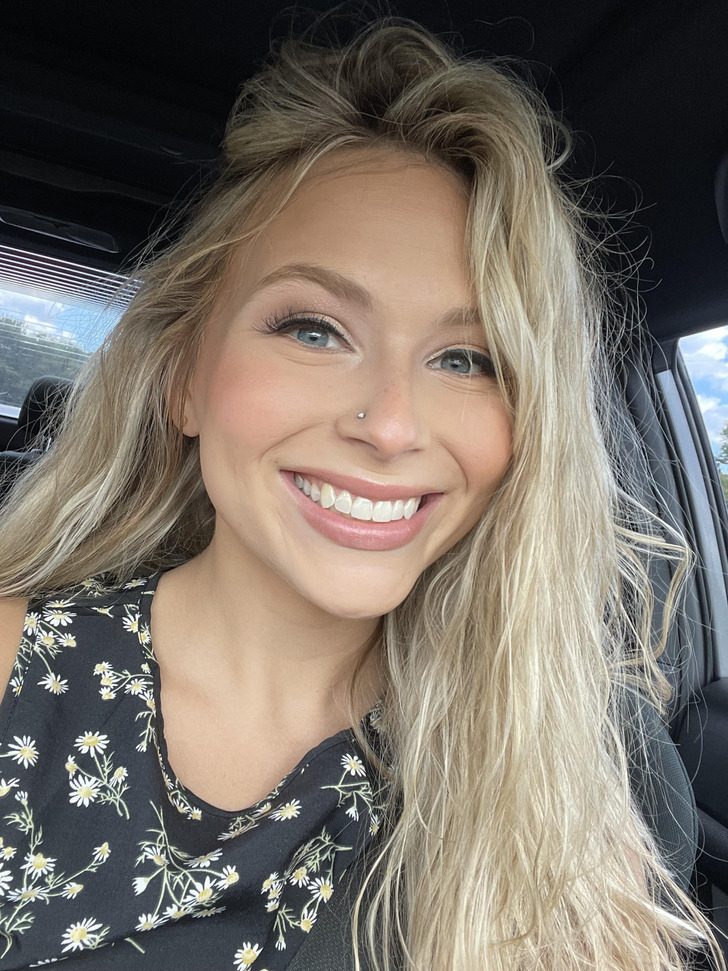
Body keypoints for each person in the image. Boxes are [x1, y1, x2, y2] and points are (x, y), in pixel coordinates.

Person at [0, 14, 724, 971]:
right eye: (312, 329)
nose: (390, 424)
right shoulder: (16, 672)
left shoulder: (570, 781)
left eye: (468, 358)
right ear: (184, 379)